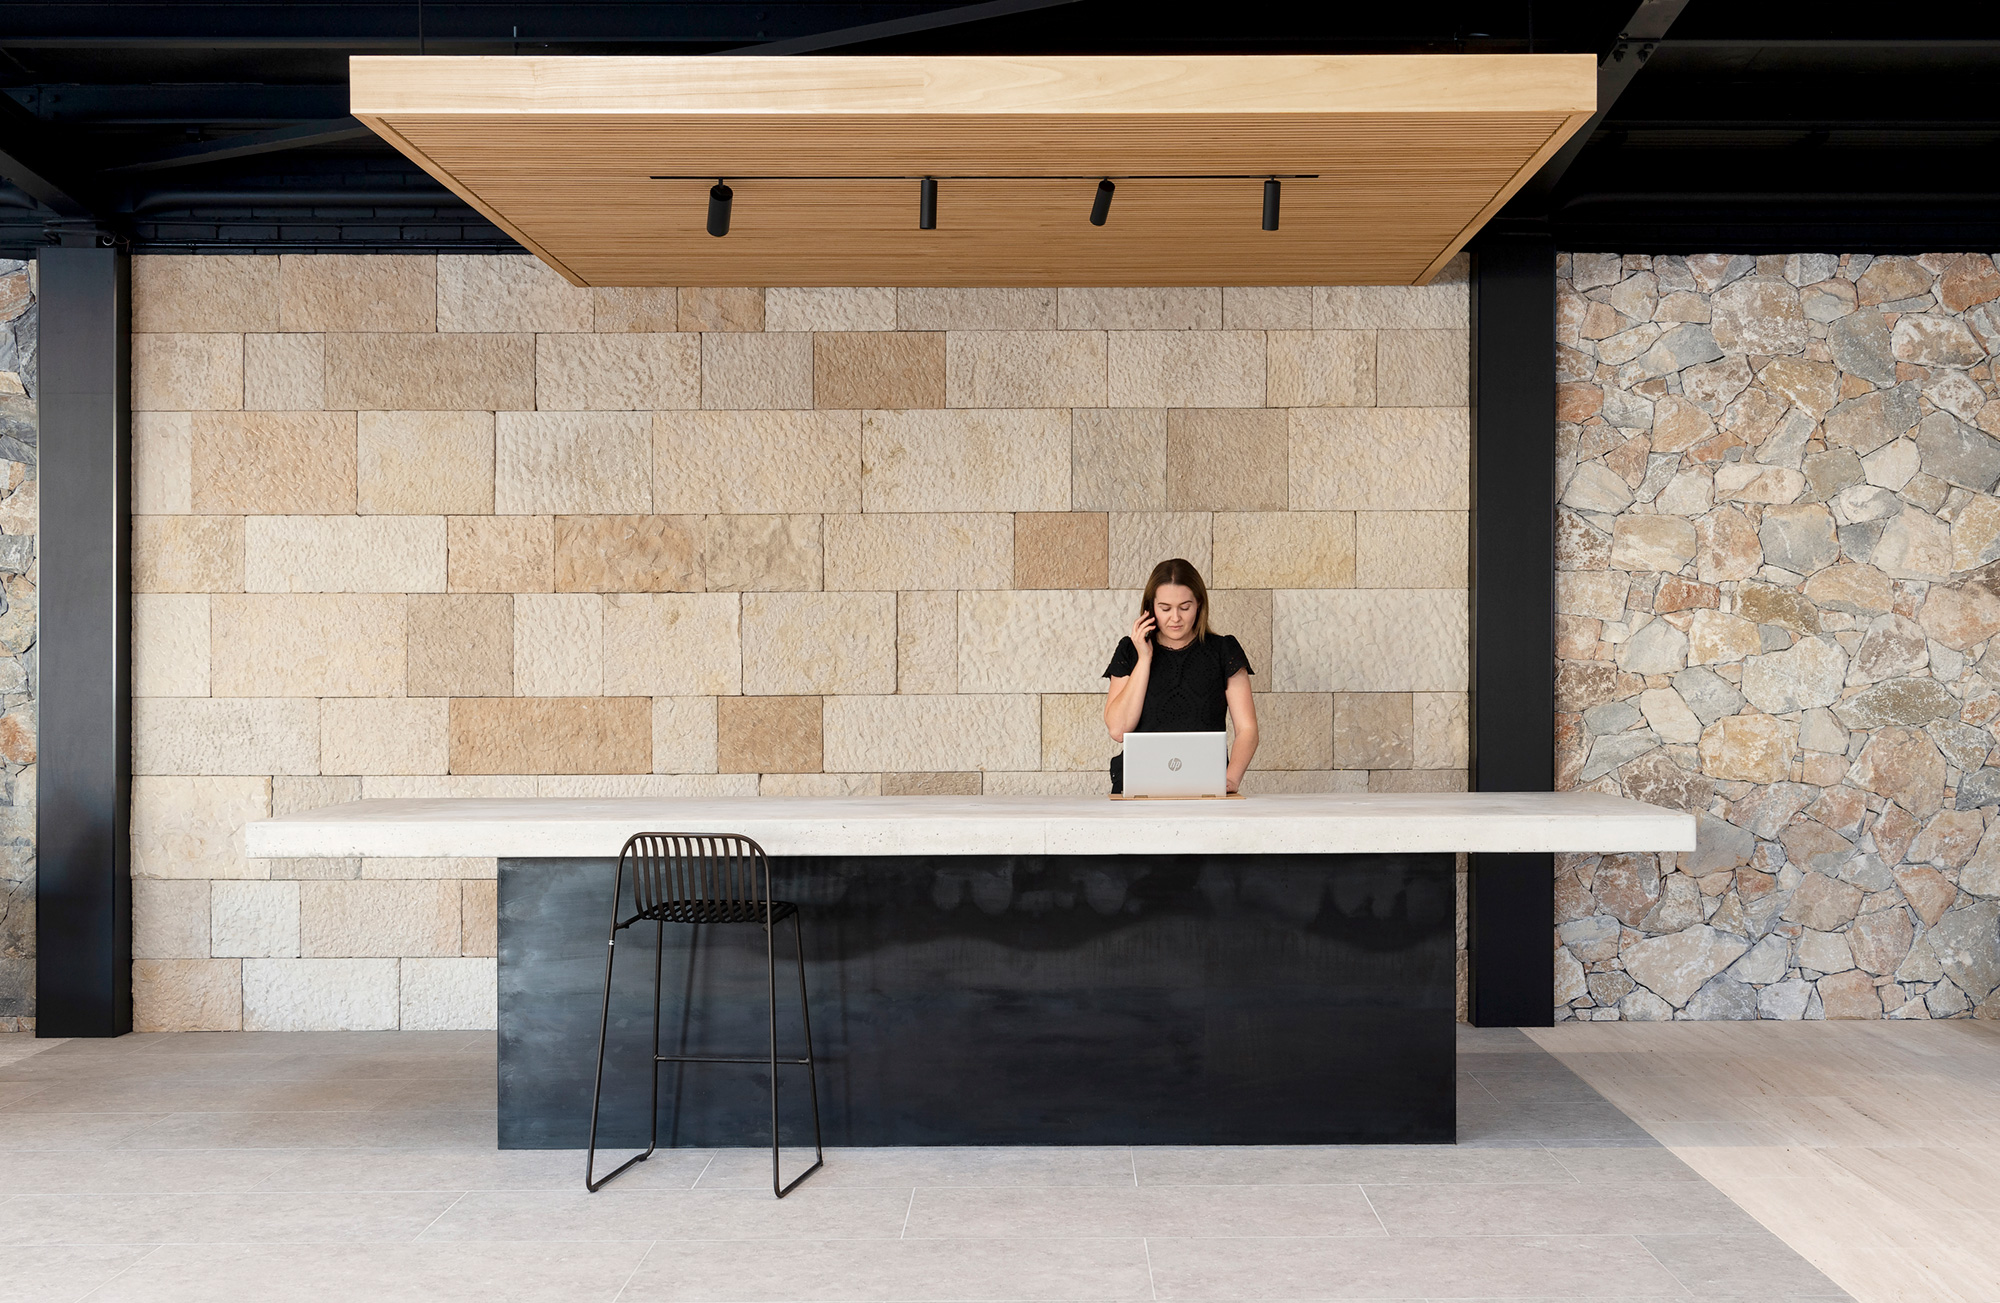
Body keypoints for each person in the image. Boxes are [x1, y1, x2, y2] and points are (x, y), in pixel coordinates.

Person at [1102, 558, 1258, 795]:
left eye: (1185, 607)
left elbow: (1247, 729)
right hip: (1138, 787)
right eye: (1165, 608)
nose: (1175, 618)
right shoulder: (1129, 650)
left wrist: (1231, 778)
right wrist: (1144, 659)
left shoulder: (1223, 650)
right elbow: (1118, 729)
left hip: (1207, 784)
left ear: (1199, 604)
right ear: (1150, 608)